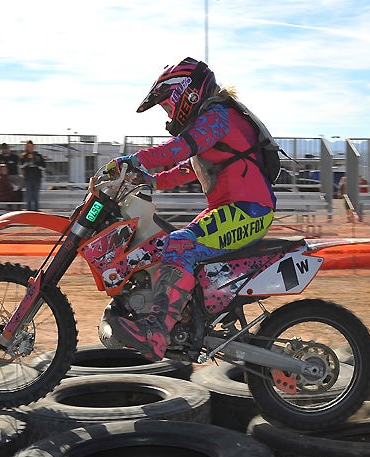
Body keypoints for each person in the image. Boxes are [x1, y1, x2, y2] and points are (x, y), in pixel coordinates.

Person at [102, 57, 276, 361]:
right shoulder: (213, 120)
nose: (168, 115)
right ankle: (185, 316)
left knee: (180, 244)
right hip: (230, 209)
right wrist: (149, 180)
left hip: (248, 210)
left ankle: (156, 333)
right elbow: (189, 168)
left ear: (187, 93)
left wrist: (135, 160)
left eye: (168, 106)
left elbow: (180, 148)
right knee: (165, 241)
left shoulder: (217, 115)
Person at [20, 140, 45, 211]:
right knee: (29, 197)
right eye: (28, 146)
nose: (30, 148)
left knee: (36, 197)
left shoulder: (38, 156)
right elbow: (21, 166)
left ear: (33, 147)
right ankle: (29, 212)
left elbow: (43, 167)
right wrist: (28, 160)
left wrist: (36, 163)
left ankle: (36, 212)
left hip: (37, 178)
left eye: (31, 146)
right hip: (28, 179)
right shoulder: (23, 156)